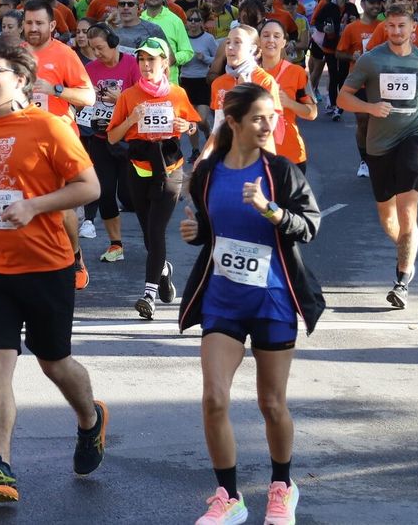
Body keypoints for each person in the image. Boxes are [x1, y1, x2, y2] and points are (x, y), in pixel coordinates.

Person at [0, 35, 106, 503]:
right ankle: (0, 467)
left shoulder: (49, 126)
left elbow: (89, 186)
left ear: (21, 79)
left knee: (55, 361)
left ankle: (90, 419)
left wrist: (36, 206)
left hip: (45, 264)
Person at [178, 82, 324, 525]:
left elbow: (310, 225)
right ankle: (229, 496)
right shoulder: (207, 174)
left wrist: (272, 211)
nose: (268, 124)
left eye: (272, 116)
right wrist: (197, 233)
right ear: (235, 122)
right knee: (214, 399)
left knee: (272, 404)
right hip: (223, 300)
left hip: (273, 300)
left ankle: (282, 486)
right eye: (259, 118)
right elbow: (209, 226)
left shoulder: (281, 172)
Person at [337, 3, 418, 308]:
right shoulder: (371, 60)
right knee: (389, 220)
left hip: (413, 137)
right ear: (385, 27)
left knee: (407, 212)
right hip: (379, 146)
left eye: (403, 26)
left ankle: (401, 281)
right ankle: (408, 250)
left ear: (414, 28)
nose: (397, 31)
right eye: (392, 26)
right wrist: (369, 108)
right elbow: (343, 97)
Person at [106, 37, 199, 320]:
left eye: (152, 60)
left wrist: (188, 126)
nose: (146, 65)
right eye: (142, 60)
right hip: (140, 169)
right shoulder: (128, 96)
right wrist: (131, 119)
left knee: (157, 232)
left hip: (170, 170)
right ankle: (164, 270)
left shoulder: (177, 93)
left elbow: (193, 125)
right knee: (149, 235)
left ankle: (148, 295)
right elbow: (112, 137)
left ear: (165, 63)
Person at [21, 0, 97, 291]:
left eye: (39, 23)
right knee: (24, 203)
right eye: (29, 23)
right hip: (23, 140)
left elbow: (88, 97)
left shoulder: (64, 54)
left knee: (62, 208)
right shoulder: (16, 55)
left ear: (52, 25)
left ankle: (75, 256)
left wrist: (54, 89)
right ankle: (34, 263)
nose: (34, 28)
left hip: (59, 139)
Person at [80, 25, 138, 262]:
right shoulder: (90, 68)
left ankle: (152, 239)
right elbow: (81, 99)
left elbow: (142, 98)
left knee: (128, 194)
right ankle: (116, 245)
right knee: (103, 192)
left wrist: (120, 99)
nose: (97, 53)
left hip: (128, 138)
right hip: (101, 138)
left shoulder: (132, 64)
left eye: (101, 48)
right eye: (93, 49)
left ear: (113, 43)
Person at [257, 19, 318, 171]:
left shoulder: (297, 72)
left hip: (290, 154)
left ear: (284, 42)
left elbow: (312, 113)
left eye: (276, 36)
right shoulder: (248, 74)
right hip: (256, 154)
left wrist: (289, 103)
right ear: (258, 41)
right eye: (266, 35)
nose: (271, 40)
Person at [335, 0, 382, 177]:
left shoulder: (385, 26)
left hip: (380, 82)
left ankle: (379, 157)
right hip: (359, 82)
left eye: (378, 3)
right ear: (363, 5)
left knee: (379, 123)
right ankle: (364, 160)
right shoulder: (351, 28)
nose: (376, 7)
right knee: (363, 122)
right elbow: (339, 53)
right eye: (372, 3)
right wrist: (351, 56)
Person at [182, 10, 220, 156]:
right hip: (186, 80)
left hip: (203, 81)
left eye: (196, 20)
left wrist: (204, 58)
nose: (193, 23)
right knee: (191, 120)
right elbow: (177, 56)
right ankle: (195, 150)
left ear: (201, 23)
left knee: (201, 119)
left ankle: (207, 131)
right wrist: (183, 58)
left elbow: (217, 59)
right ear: (186, 23)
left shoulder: (208, 38)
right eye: (190, 20)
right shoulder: (183, 38)